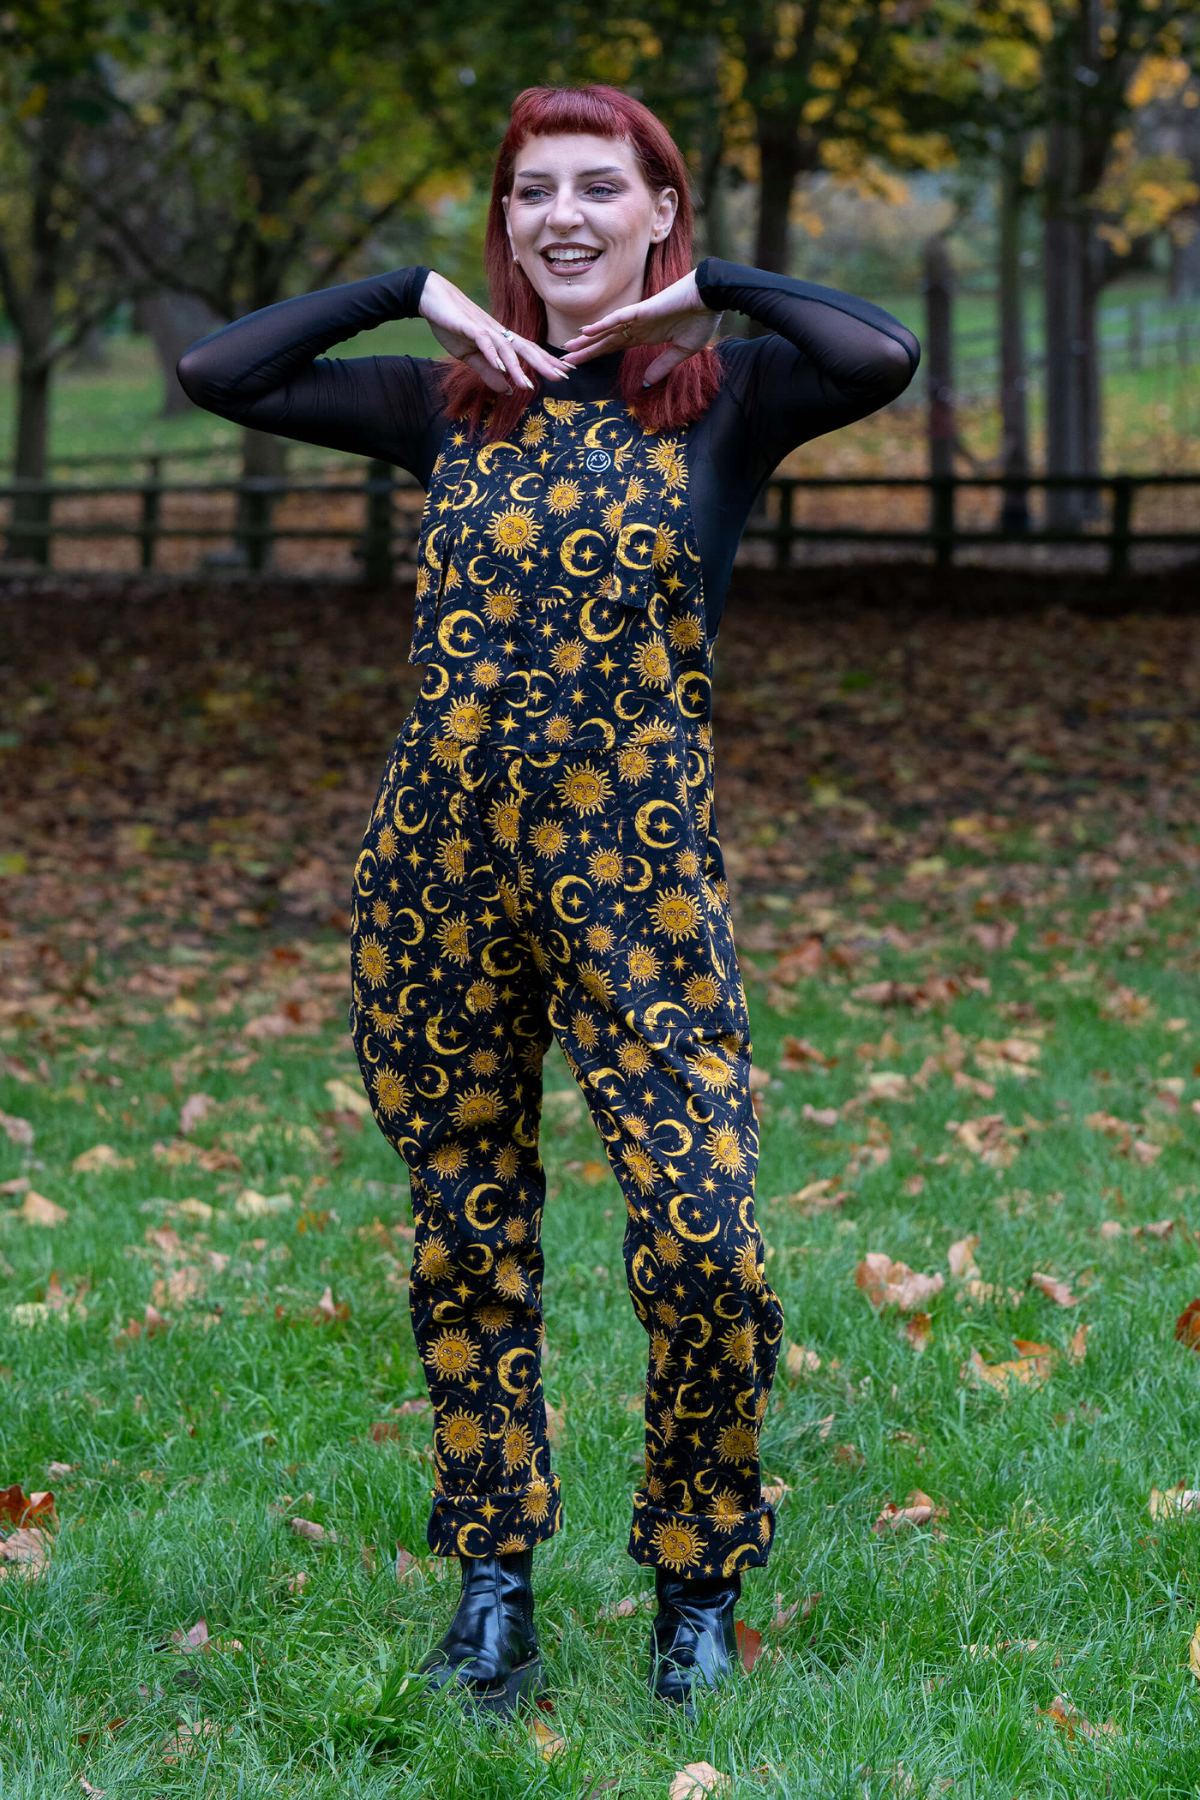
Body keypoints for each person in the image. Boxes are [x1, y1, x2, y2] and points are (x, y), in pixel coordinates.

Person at [178, 82, 919, 1720]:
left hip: (640, 886)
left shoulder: (730, 397)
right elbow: (217, 373)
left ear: (660, 210)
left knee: (706, 1243)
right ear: (504, 224)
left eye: (600, 186)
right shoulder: (451, 403)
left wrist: (706, 295)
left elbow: (881, 353)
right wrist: (410, 293)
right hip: (437, 875)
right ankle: (495, 1585)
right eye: (531, 193)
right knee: (467, 1237)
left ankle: (697, 1586)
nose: (562, 217)